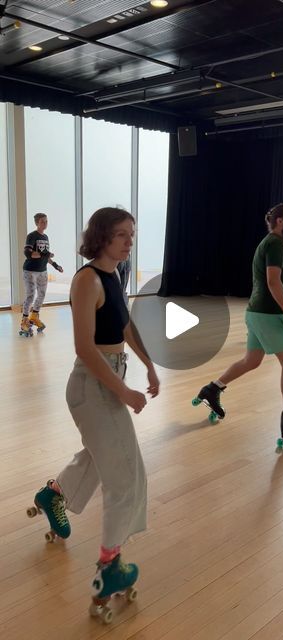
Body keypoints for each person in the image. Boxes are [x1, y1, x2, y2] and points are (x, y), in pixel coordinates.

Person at [29, 207, 160, 613]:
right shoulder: (87, 280)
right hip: (92, 385)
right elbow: (84, 346)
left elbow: (123, 326)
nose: (129, 241)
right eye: (121, 234)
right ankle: (110, 566)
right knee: (125, 472)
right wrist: (125, 391)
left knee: (101, 455)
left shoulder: (114, 275)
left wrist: (150, 364)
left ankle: (54, 496)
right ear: (101, 237)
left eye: (131, 235)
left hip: (107, 381)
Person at [195, 203, 283, 441]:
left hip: (256, 313)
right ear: (279, 221)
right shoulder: (276, 244)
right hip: (268, 315)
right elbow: (273, 282)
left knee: (251, 361)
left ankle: (212, 389)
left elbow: (277, 280)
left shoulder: (271, 244)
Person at [20, 213, 63, 336]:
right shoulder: (32, 236)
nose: (45, 224)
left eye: (46, 221)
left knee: (42, 295)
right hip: (30, 270)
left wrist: (55, 265)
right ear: (37, 223)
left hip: (42, 271)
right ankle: (24, 321)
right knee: (30, 296)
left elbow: (45, 255)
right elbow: (28, 254)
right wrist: (45, 255)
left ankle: (34, 316)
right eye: (42, 222)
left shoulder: (46, 237)